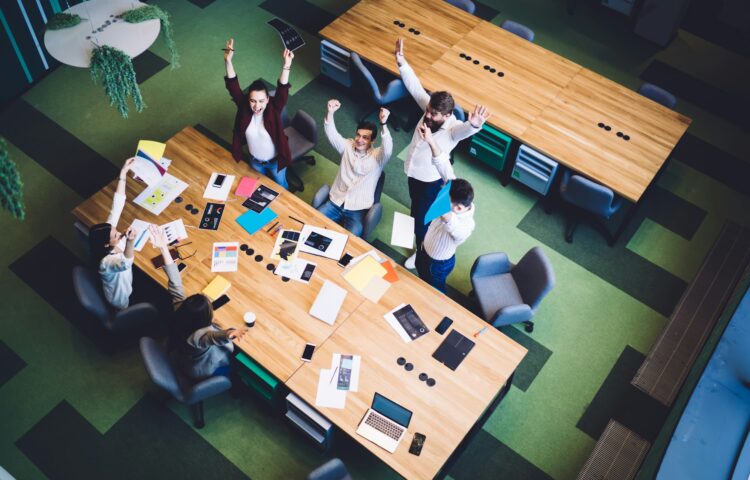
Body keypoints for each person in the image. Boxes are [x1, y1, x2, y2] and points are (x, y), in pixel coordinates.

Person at [394, 38, 489, 268]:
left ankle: (421, 250)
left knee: (422, 216)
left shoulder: (453, 130)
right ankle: (420, 234)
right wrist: (401, 62)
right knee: (416, 207)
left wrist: (474, 125)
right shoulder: (429, 109)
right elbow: (415, 86)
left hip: (429, 180)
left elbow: (465, 131)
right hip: (413, 173)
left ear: (446, 116)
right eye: (428, 110)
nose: (428, 115)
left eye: (433, 114)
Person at [150, 225, 248, 379]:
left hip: (180, 351)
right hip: (200, 367)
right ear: (204, 318)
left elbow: (175, 281)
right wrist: (229, 333)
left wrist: (163, 248)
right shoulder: (198, 337)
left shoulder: (179, 308)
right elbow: (213, 337)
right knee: (236, 364)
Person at [224, 37, 294, 189]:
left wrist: (286, 66)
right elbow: (233, 86)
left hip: (275, 161)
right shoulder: (244, 107)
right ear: (248, 100)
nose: (257, 106)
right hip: (255, 161)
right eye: (253, 101)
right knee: (256, 190)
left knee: (281, 187)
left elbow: (282, 90)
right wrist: (228, 61)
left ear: (268, 99)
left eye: (261, 101)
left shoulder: (273, 108)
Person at [318, 99, 393, 237]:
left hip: (357, 210)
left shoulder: (378, 157)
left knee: (352, 239)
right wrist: (330, 113)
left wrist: (383, 124)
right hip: (335, 202)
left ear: (372, 141)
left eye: (365, 137)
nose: (360, 140)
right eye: (358, 135)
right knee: (313, 224)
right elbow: (332, 135)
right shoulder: (347, 146)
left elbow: (388, 149)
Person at [88, 157, 138, 310]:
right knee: (126, 311)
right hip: (120, 299)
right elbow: (126, 262)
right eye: (115, 235)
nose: (118, 232)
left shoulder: (107, 235)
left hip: (126, 281)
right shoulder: (105, 263)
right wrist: (130, 241)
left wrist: (123, 173)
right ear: (106, 244)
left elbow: (117, 205)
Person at [416, 178, 476, 294]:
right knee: (421, 273)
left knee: (436, 290)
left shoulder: (467, 224)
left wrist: (448, 217)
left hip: (437, 264)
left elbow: (459, 232)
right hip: (426, 248)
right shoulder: (457, 202)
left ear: (458, 208)